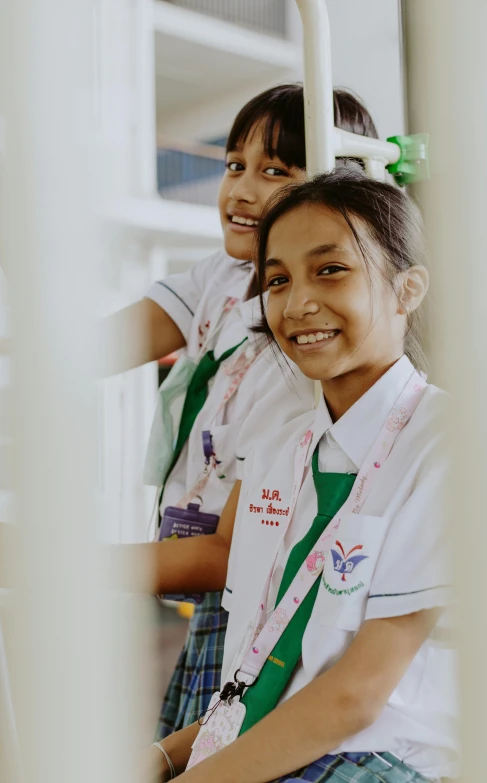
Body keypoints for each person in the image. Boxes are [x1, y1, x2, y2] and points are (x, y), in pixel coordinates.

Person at [145, 167, 457, 782]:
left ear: (408, 288)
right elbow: (261, 672)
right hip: (278, 746)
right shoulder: (281, 444)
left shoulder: (449, 443)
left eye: (330, 269)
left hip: (383, 762)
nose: (297, 303)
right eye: (278, 280)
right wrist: (161, 757)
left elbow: (356, 696)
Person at [105, 85, 379, 738]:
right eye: (234, 166)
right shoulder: (222, 279)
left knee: (217, 747)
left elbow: (233, 554)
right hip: (205, 586)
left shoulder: (306, 345)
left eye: (276, 171)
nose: (243, 190)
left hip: (252, 606)